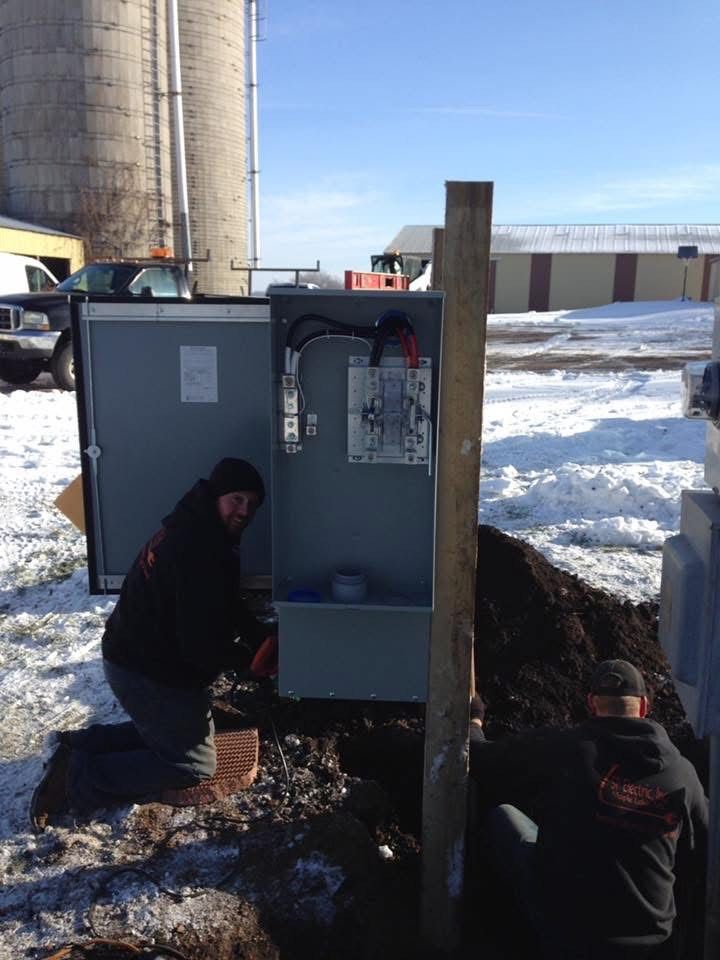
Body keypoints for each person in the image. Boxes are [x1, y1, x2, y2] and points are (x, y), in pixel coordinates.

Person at [32, 458, 276, 828]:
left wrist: (258, 635)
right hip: (147, 670)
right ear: (215, 496)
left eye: (252, 504)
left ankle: (79, 746)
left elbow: (223, 602)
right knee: (193, 765)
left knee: (180, 735)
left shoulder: (198, 529)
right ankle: (77, 780)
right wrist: (248, 663)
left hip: (136, 655)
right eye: (237, 499)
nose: (244, 511)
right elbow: (199, 646)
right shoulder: (199, 550)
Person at [469, 659, 708, 960]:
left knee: (504, 818)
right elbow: (705, 853)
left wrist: (475, 720)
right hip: (652, 944)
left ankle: (490, 935)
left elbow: (480, 759)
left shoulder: (563, 749)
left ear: (592, 704)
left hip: (568, 938)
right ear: (644, 706)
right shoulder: (682, 773)